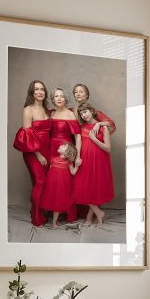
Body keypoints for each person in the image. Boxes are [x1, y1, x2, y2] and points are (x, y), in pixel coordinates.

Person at [13, 80, 51, 227]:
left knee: (42, 183)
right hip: (33, 151)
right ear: (32, 92)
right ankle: (36, 216)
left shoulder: (47, 110)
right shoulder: (28, 110)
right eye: (37, 89)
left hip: (47, 150)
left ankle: (39, 210)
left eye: (42, 89)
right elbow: (27, 135)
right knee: (41, 181)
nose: (40, 92)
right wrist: (38, 155)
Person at [74, 102, 114, 226]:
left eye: (85, 112)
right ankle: (97, 212)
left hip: (99, 161)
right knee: (82, 188)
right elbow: (79, 143)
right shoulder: (82, 128)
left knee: (95, 188)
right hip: (85, 161)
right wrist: (78, 156)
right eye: (81, 113)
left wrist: (94, 139)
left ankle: (89, 217)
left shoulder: (103, 128)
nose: (84, 115)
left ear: (91, 111)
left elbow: (108, 148)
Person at [50, 88, 81, 222]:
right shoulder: (51, 113)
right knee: (53, 181)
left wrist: (77, 156)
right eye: (56, 96)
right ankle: (54, 209)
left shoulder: (69, 114)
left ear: (65, 99)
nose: (59, 98)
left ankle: (69, 213)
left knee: (66, 182)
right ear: (53, 99)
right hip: (52, 149)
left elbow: (78, 137)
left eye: (62, 96)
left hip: (65, 149)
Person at [40, 142, 79, 228]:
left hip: (62, 186)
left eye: (64, 146)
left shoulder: (68, 162)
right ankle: (54, 221)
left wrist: (77, 166)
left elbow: (73, 172)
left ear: (66, 152)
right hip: (52, 186)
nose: (61, 145)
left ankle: (54, 223)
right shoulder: (53, 159)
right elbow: (49, 172)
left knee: (57, 204)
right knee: (53, 202)